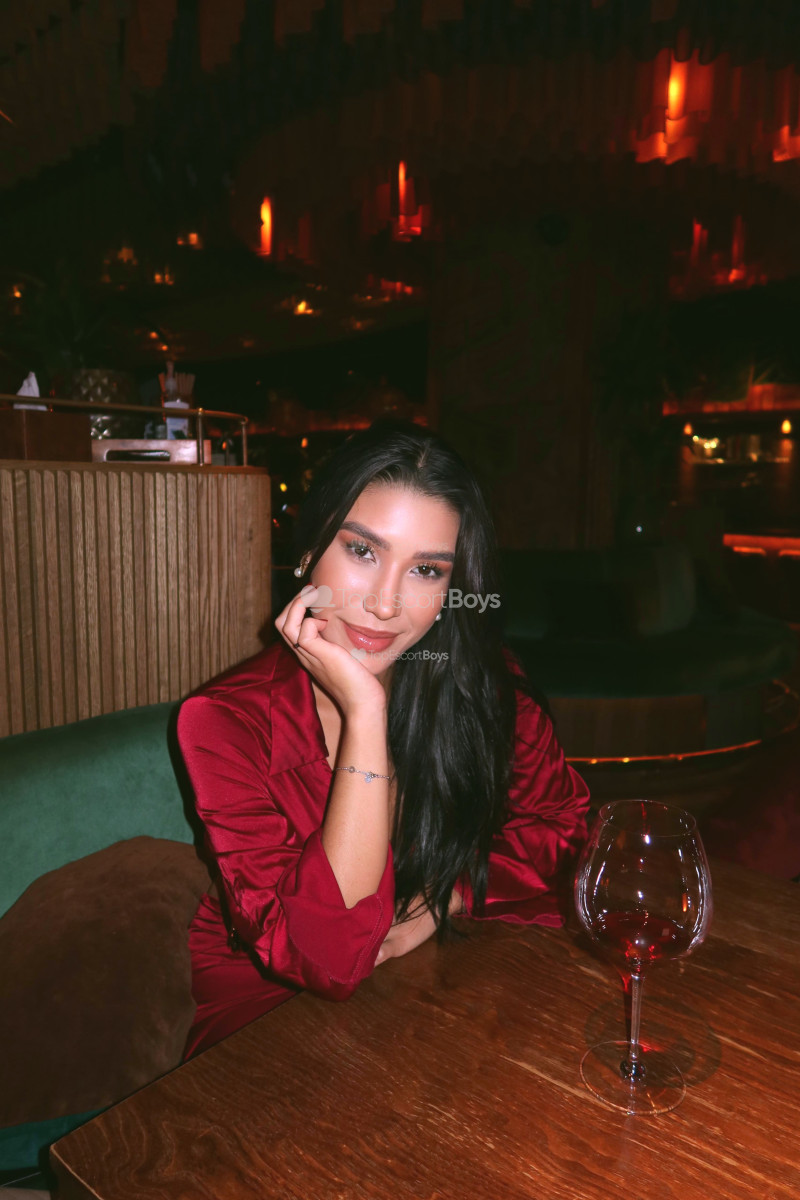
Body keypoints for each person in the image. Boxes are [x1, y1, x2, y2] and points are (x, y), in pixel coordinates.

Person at [178, 419, 590, 1059]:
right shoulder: (224, 721)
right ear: (309, 550)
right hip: (272, 1017)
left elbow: (562, 829)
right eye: (363, 551)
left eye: (425, 569)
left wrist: (441, 902)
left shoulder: (479, 684)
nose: (386, 604)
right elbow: (329, 958)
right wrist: (365, 714)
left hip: (431, 980)